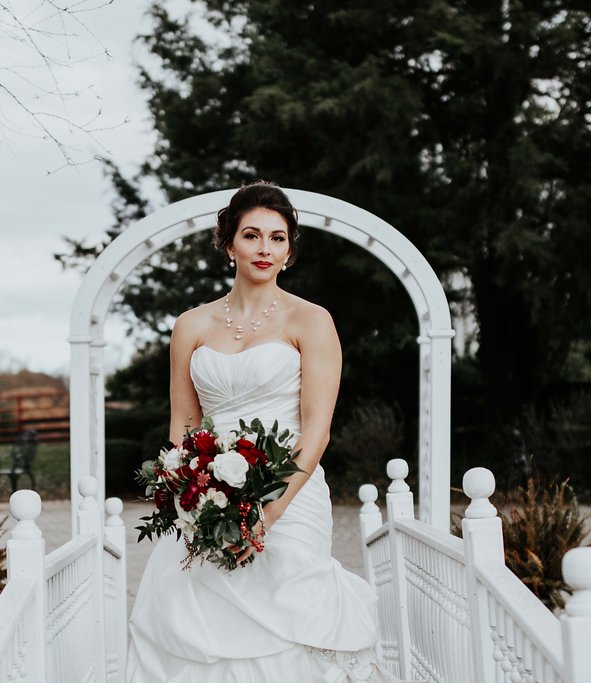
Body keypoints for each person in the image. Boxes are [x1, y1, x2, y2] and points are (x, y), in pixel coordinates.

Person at [127, 181, 403, 682]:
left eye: (278, 238)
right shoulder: (191, 325)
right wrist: (187, 494)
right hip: (206, 493)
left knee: (288, 606)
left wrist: (265, 515)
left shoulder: (312, 321)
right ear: (229, 243)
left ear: (290, 250)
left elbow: (316, 432)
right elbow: (184, 428)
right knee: (190, 608)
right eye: (252, 235)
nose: (265, 248)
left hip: (291, 490)